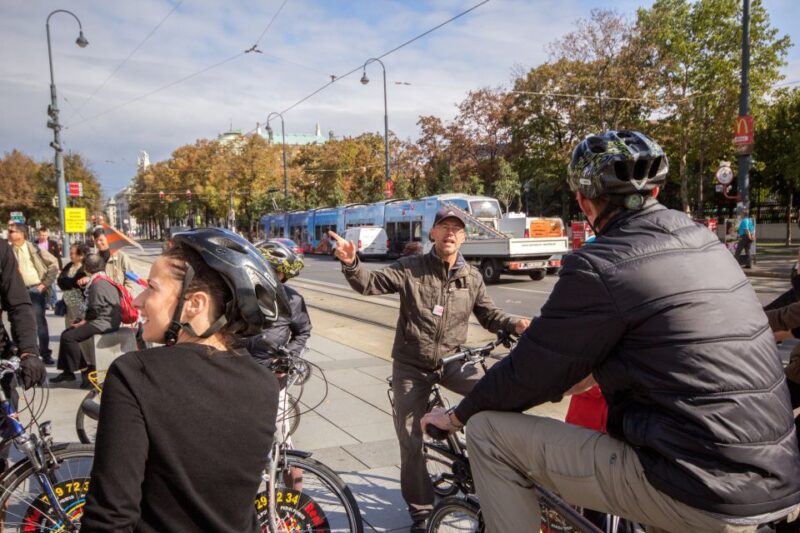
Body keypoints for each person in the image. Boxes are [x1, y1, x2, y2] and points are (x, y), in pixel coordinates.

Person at [422, 130, 800, 533]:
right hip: (778, 479)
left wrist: (457, 416)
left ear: (584, 202)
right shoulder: (707, 244)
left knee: (488, 432)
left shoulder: (600, 263)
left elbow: (529, 372)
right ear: (657, 190)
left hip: (699, 487)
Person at [329, 209, 529, 532]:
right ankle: (422, 514)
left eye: (457, 229)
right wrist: (352, 264)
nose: (450, 233)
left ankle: (495, 470)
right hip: (411, 365)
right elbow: (370, 283)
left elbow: (491, 316)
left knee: (499, 396)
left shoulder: (472, 278)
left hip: (452, 362)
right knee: (410, 442)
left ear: (463, 237)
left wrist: (515, 324)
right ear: (432, 233)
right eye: (444, 227)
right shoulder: (411, 268)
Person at [81, 228, 289, 532]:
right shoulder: (264, 383)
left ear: (195, 304)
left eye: (151, 288)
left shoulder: (134, 374)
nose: (138, 301)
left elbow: (111, 517)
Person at [54, 253, 121, 386]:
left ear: (87, 268)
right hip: (108, 319)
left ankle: (86, 371)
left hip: (104, 322)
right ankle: (68, 372)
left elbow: (94, 310)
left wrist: (83, 322)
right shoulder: (104, 279)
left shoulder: (97, 283)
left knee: (69, 337)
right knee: (66, 334)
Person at [7, 222, 58, 365]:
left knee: (39, 322)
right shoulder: (8, 250)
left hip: (35, 290)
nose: (9, 234)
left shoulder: (34, 248)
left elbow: (54, 263)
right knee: (16, 322)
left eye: (12, 231)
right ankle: (21, 353)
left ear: (21, 234)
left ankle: (45, 353)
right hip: (16, 291)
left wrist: (45, 284)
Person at [56, 243, 95, 381]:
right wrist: (70, 282)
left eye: (73, 253)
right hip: (69, 307)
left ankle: (89, 372)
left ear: (81, 255)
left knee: (83, 342)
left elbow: (75, 282)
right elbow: (61, 282)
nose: (70, 255)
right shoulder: (69, 266)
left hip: (80, 310)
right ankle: (68, 371)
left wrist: (69, 282)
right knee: (68, 338)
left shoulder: (86, 269)